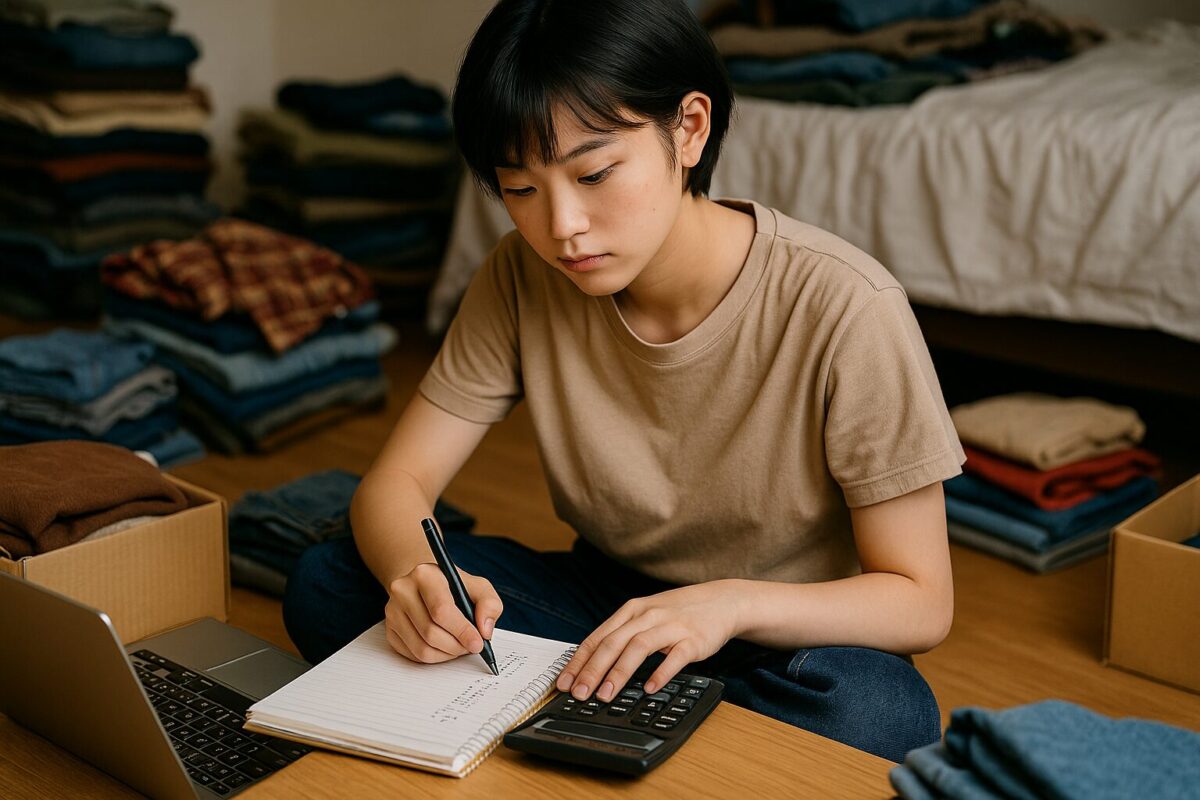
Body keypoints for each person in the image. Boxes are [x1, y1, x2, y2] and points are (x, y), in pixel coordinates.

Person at [283, 0, 965, 763]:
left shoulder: (846, 306)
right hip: (602, 607)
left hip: (782, 632)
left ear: (690, 129)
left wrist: (728, 606)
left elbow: (920, 601)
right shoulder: (520, 276)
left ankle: (588, 720)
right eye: (520, 189)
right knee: (329, 579)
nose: (562, 226)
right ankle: (655, 736)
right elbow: (396, 482)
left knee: (880, 714)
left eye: (594, 173)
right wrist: (418, 580)